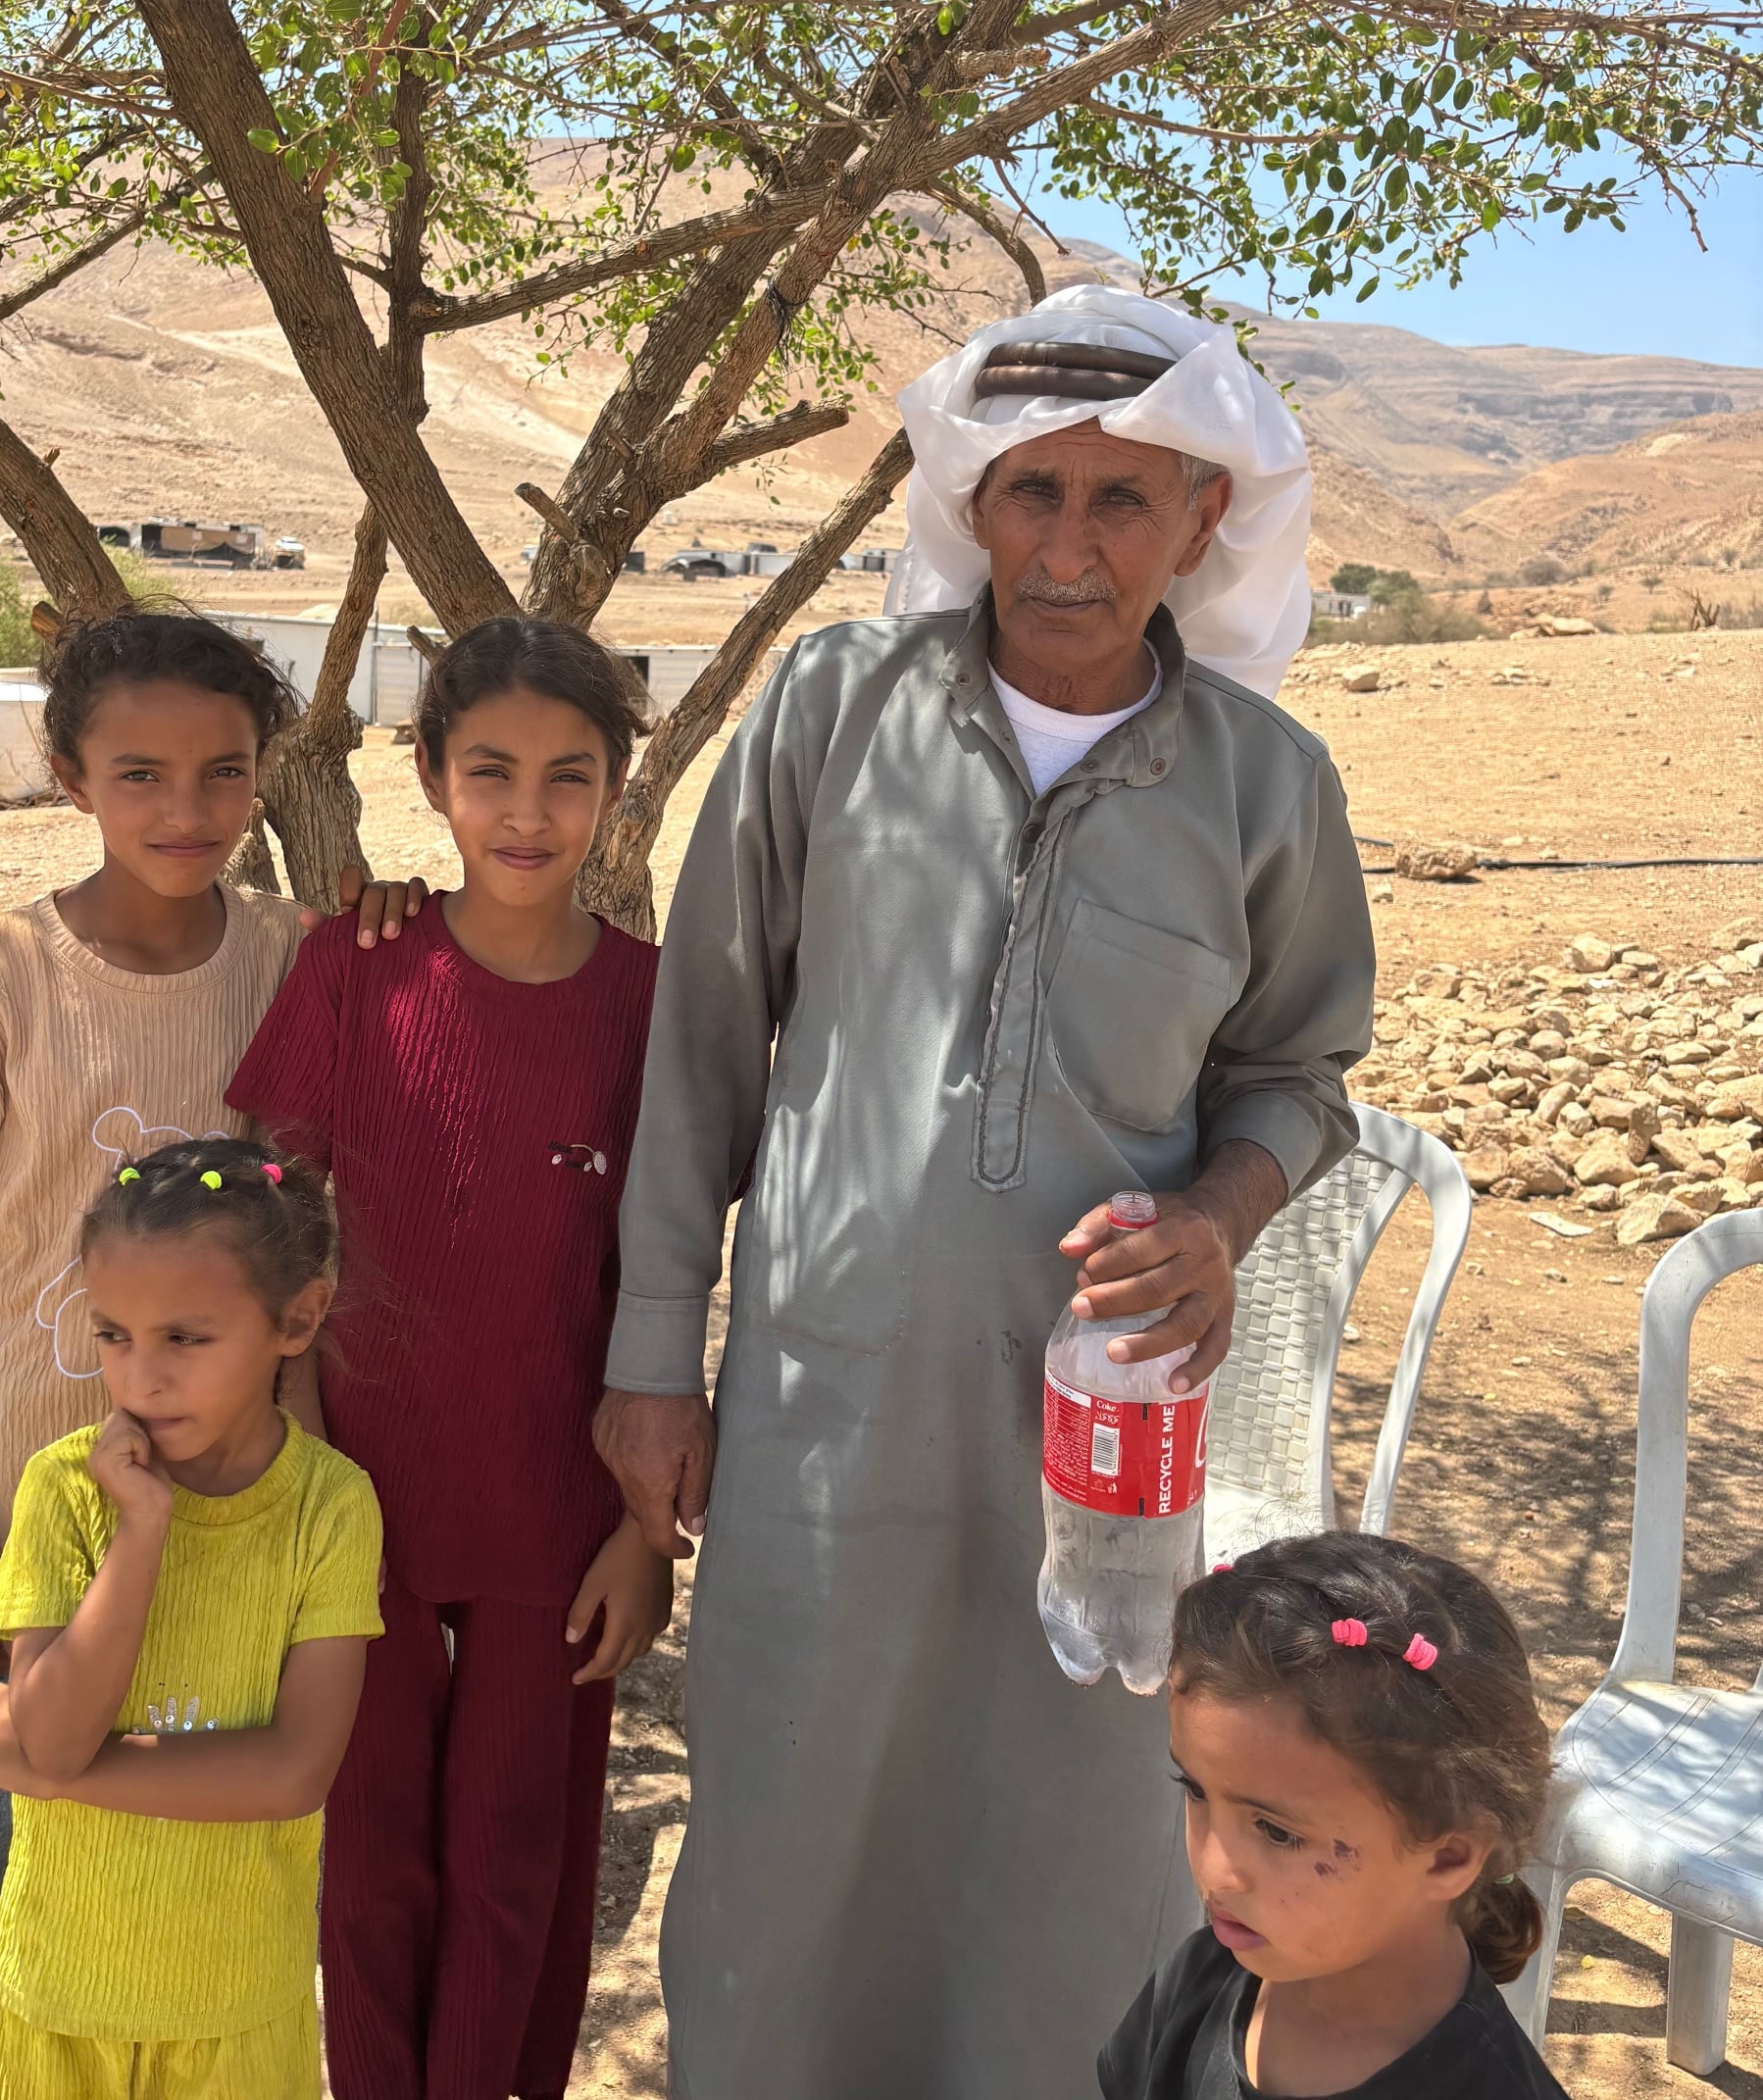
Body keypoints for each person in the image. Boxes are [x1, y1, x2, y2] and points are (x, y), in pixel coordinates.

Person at [592, 283, 1377, 2100]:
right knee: (789, 1818)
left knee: (1065, 1840)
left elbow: (1295, 1069)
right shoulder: (826, 709)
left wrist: (1225, 1213)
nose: (1071, 544)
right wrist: (652, 1352)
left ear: (1202, 522)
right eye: (1033, 492)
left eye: (1123, 501)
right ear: (971, 505)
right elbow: (702, 1043)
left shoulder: (1267, 785)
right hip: (821, 1402)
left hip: (1098, 1430)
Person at [0, 610, 417, 2100]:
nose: (187, 811)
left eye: (224, 773)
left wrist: (400, 917)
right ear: (69, 775)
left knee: (158, 1894)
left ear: (264, 777)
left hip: (227, 1540)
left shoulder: (291, 961)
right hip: (29, 1539)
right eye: (140, 773)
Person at [227, 616, 673, 2100]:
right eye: (490, 771)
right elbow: (276, 1203)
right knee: (369, 1868)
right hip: (357, 1499)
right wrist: (291, 1450)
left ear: (617, 786)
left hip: (561, 1506)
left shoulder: (653, 1009)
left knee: (513, 1860)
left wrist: (641, 1525)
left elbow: (671, 1279)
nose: (527, 812)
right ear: (429, 777)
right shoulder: (360, 967)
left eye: (568, 774)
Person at [0, 1135, 380, 2095]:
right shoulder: (66, 1490)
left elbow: (292, 1773)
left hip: (236, 2019)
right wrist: (141, 1536)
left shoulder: (331, 1509)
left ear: (298, 1320)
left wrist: (58, 1770)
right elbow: (53, 1735)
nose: (141, 1380)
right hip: (56, 2005)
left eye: (185, 1338)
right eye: (113, 1335)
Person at [1100, 1531, 1566, 2099]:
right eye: (1195, 1790)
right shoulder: (1200, 1982)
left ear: (1448, 1856)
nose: (1214, 1870)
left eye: (1276, 1831)